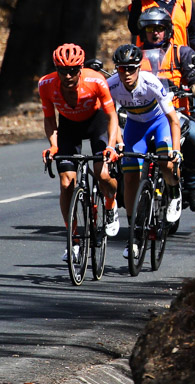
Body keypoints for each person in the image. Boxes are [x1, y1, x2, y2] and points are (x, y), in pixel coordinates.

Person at [39, 43, 122, 262]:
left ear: (81, 67)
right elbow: (49, 119)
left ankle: (111, 204)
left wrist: (111, 146)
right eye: (63, 70)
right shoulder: (46, 84)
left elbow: (112, 116)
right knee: (66, 183)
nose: (68, 75)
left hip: (97, 123)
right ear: (56, 69)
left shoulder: (95, 80)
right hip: (68, 127)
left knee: (102, 173)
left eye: (73, 70)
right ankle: (73, 239)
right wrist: (54, 145)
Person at [135, 7, 195, 213]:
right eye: (150, 28)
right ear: (143, 31)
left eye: (160, 28)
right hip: (142, 114)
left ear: (168, 30)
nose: (155, 33)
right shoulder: (135, 55)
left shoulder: (182, 52)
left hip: (176, 112)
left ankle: (192, 187)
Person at [106, 44, 183, 251]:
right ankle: (135, 229)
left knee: (166, 165)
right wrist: (118, 144)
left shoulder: (151, 83)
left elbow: (173, 120)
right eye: (122, 68)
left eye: (132, 68)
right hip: (134, 127)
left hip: (159, 124)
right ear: (117, 69)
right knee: (129, 176)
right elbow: (109, 119)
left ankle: (175, 193)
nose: (127, 73)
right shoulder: (111, 86)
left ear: (139, 68)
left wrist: (176, 151)